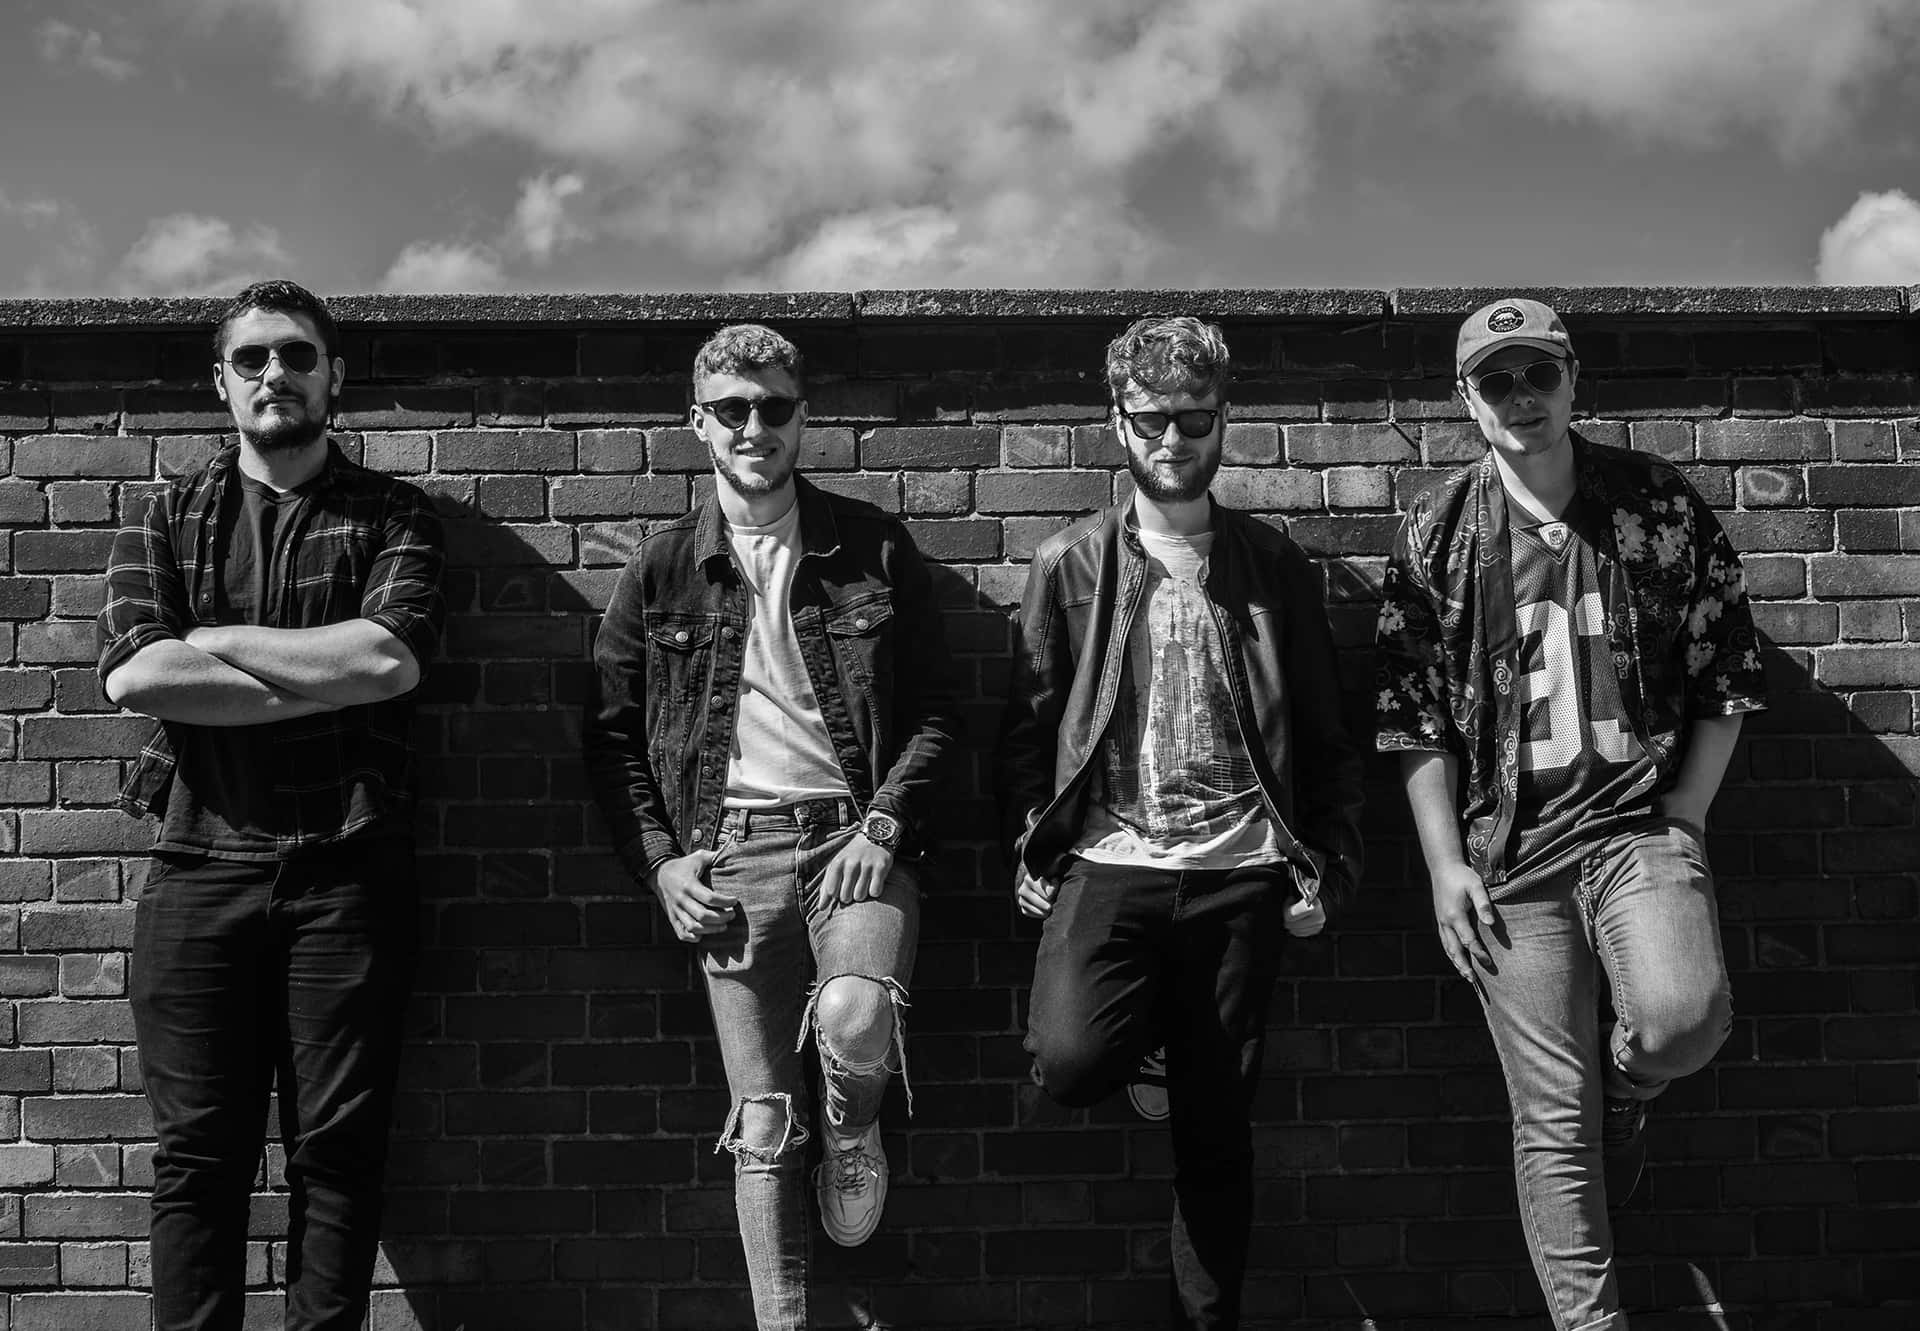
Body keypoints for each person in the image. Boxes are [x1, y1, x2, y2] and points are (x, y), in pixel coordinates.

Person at [1375, 298, 1766, 1331]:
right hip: (1509, 858)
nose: (1521, 399)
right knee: (1553, 1120)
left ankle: (1629, 1090)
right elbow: (1408, 713)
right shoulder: (1439, 530)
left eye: (1537, 374)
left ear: (1573, 377)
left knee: (1682, 1019)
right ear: (1466, 398)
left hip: (1635, 830)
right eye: (1495, 381)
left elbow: (1728, 662)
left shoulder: (1654, 504)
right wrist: (1443, 863)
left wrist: (1685, 813)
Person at [583, 323, 963, 1330]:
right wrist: (661, 863)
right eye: (733, 408)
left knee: (853, 1015)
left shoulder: (870, 546)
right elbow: (611, 735)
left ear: (804, 416)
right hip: (731, 849)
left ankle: (853, 1128)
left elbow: (936, 709)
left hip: (854, 836)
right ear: (698, 420)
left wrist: (884, 821)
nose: (756, 427)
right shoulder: (660, 568)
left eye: (775, 407)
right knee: (760, 1121)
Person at [997, 315, 1365, 1330]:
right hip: (1112, 857)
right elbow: (1028, 727)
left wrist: (1329, 870)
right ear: (1117, 420)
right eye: (1152, 419)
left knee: (1217, 1134)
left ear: (1223, 420)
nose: (1172, 440)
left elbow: (1329, 738)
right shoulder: (1068, 564)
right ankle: (1151, 1038)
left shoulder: (1274, 568)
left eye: (1194, 419)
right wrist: (1032, 839)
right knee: (1068, 1059)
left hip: (1244, 867)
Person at [97, 279, 445, 1331]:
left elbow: (387, 658)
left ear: (333, 376)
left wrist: (211, 640)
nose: (274, 375)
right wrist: (312, 672)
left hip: (348, 872)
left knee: (337, 1152)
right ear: (221, 381)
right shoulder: (169, 512)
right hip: (199, 869)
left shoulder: (393, 515)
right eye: (251, 359)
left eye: (296, 355)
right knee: (197, 1156)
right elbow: (131, 677)